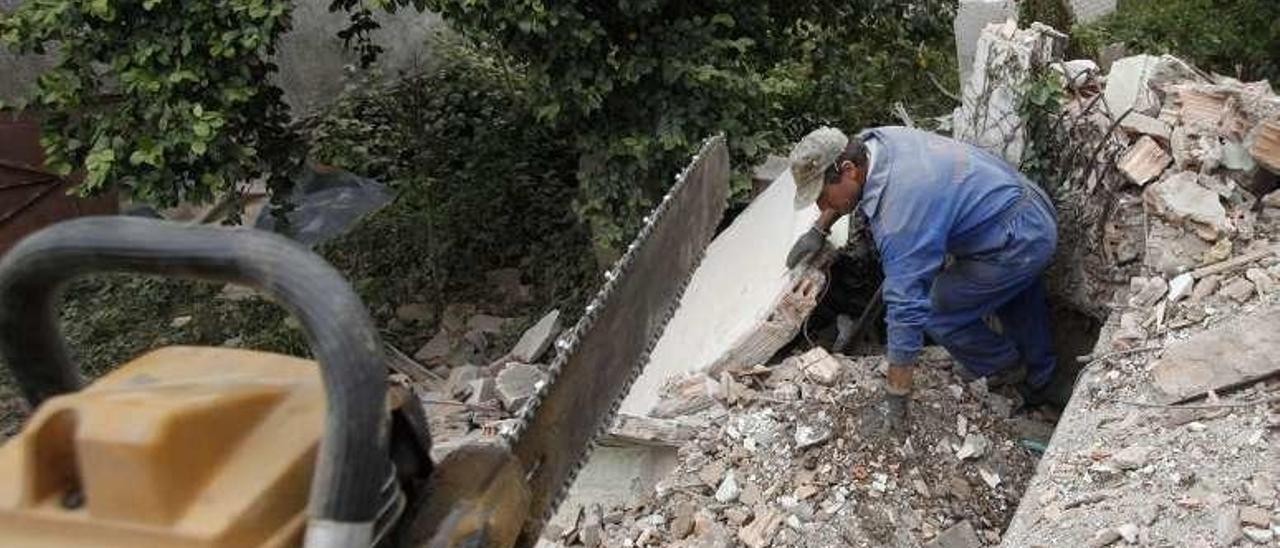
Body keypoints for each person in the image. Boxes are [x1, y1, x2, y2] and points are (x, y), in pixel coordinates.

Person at [785, 126, 1061, 426]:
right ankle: (1043, 379)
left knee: (935, 308)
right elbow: (845, 186)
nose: (821, 206)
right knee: (1014, 298)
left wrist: (896, 396)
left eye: (822, 197)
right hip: (1016, 208)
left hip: (1017, 240)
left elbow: (907, 307)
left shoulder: (902, 212)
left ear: (849, 171)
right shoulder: (874, 142)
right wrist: (819, 228)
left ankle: (1006, 370)